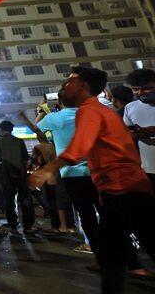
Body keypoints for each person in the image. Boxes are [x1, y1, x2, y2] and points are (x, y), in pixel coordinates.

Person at [31, 67, 155, 293]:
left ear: (83, 86)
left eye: (69, 81)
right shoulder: (100, 109)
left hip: (122, 186)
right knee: (114, 249)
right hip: (121, 186)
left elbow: (78, 148)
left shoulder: (89, 110)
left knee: (117, 247)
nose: (64, 86)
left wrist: (47, 169)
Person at [0, 120, 34, 234]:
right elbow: (25, 157)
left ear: (1, 129)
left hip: (6, 175)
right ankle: (28, 226)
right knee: (25, 199)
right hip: (21, 174)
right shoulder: (19, 141)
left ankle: (14, 226)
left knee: (9, 201)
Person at [123, 69, 155, 189]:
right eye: (135, 89)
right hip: (148, 169)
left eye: (147, 88)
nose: (140, 92)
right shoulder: (130, 108)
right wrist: (136, 134)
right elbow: (127, 133)